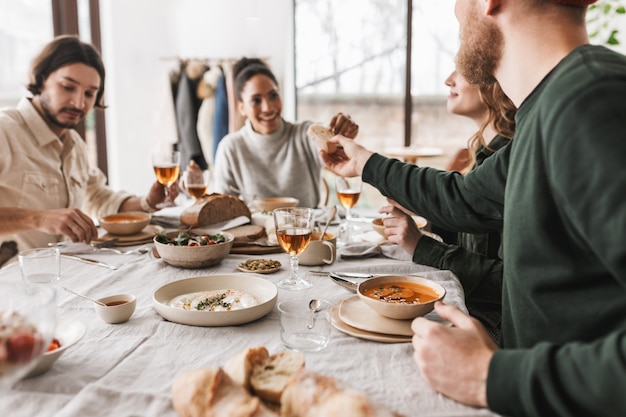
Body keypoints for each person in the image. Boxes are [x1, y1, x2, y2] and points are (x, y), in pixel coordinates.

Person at [320, 1, 626, 416]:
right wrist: (366, 163)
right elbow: (464, 198)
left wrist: (492, 375)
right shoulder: (551, 106)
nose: (455, 10)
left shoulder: (591, 101)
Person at [0, 35, 177, 252]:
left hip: (65, 272)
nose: (79, 102)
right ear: (42, 78)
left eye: (90, 93)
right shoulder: (4, 131)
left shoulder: (75, 145)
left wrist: (147, 202)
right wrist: (38, 219)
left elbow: (98, 198)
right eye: (67, 87)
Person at [380, 70, 516, 340]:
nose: (448, 79)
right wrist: (431, 222)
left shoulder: (510, 162)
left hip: (492, 324)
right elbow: (480, 238)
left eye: (463, 71)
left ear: (496, 83)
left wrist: (422, 246)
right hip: (468, 306)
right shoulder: (484, 155)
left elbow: (506, 286)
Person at [211, 57, 358, 208]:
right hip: (257, 231)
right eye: (256, 100)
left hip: (309, 230)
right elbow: (224, 208)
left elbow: (329, 140)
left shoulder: (303, 134)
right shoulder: (230, 147)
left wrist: (340, 133)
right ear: (241, 108)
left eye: (273, 96)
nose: (268, 108)